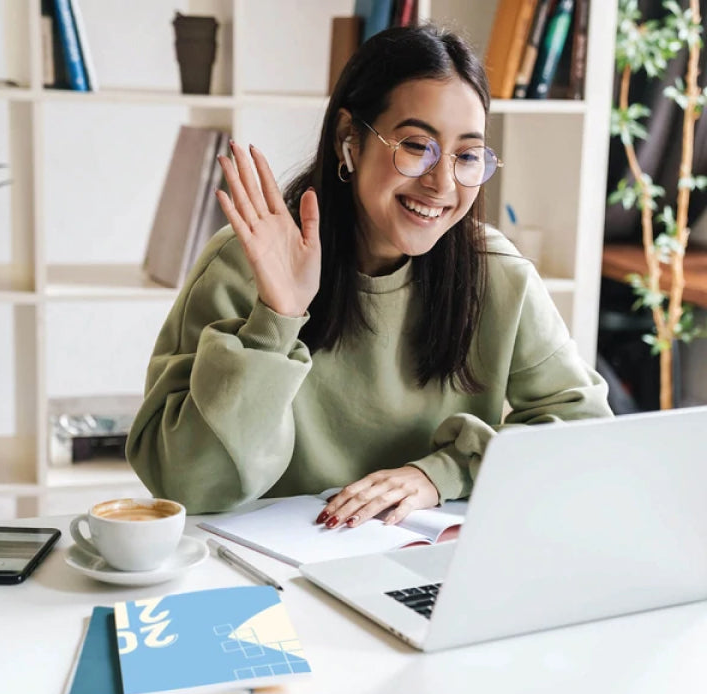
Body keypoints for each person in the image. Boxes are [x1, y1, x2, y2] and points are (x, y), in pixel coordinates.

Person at [126, 24, 612, 529]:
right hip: (273, 568)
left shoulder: (496, 273)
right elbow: (188, 486)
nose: (442, 182)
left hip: (431, 559)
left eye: (467, 155)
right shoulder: (243, 262)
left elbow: (586, 436)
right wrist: (277, 318)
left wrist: (444, 473)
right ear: (349, 140)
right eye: (416, 145)